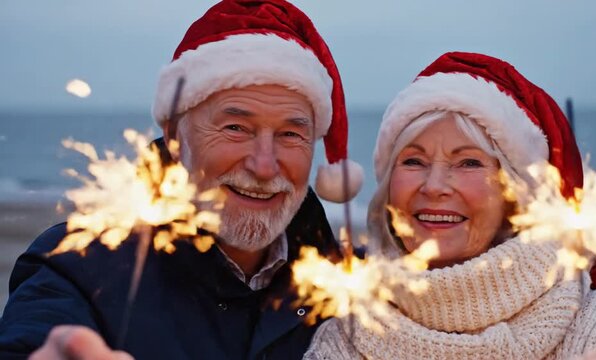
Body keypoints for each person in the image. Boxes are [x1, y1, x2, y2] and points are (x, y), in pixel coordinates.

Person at [0, 1, 364, 359]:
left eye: (290, 135)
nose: (265, 166)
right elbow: (35, 337)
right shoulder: (78, 263)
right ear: (176, 137)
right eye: (235, 128)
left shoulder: (350, 284)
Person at [304, 52, 596, 359]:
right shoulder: (342, 342)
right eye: (413, 161)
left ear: (518, 196)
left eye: (468, 163)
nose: (434, 186)